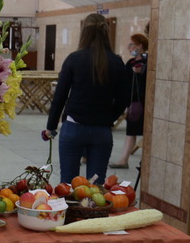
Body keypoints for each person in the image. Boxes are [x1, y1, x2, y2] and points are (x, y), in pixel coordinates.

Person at [46, 13, 128, 185]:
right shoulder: (116, 62)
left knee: (68, 184)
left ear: (84, 32)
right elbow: (123, 99)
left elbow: (60, 96)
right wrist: (108, 118)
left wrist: (51, 126)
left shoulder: (74, 59)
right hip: (102, 130)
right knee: (95, 185)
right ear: (106, 32)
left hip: (73, 127)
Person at [110, 33, 149, 169]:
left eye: (131, 45)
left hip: (145, 102)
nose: (129, 47)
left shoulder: (148, 62)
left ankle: (143, 161)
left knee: (146, 132)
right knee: (131, 131)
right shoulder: (130, 63)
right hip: (133, 103)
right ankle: (123, 159)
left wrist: (140, 73)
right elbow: (125, 82)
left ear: (140, 46)